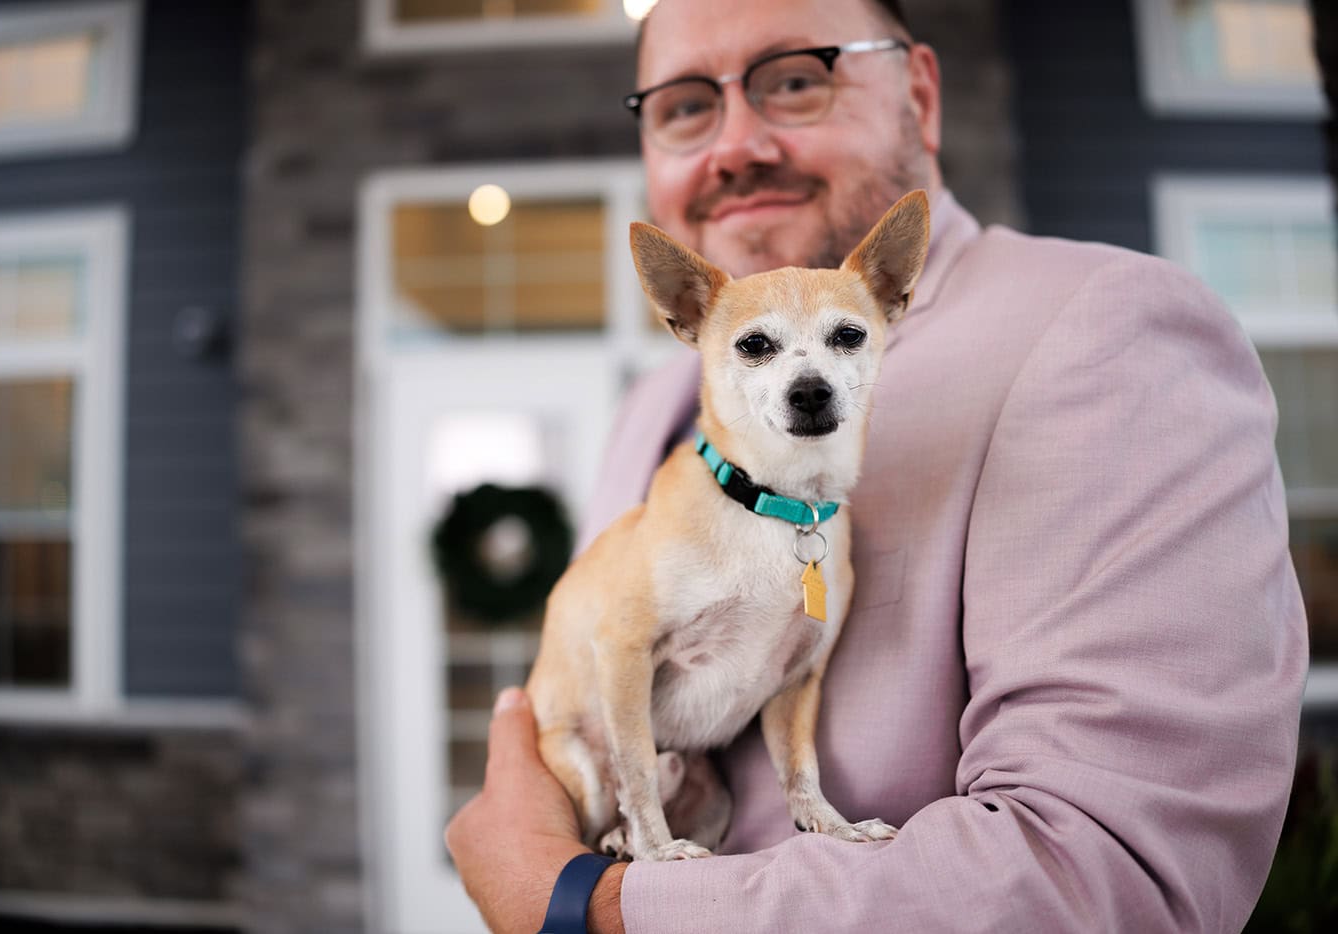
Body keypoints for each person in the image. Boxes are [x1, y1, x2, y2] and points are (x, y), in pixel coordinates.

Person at [444, 0, 1310, 931]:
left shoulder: (1110, 329)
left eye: (795, 79)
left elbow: (1104, 876)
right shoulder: (651, 409)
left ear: (921, 96)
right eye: (685, 106)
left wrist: (582, 904)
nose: (734, 144)